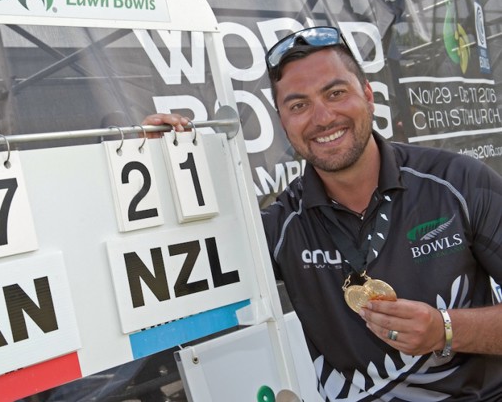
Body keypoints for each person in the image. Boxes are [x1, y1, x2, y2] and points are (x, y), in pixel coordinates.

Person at [143, 26, 502, 400]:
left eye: (335, 93)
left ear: (367, 95)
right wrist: (160, 170)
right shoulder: (281, 226)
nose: (322, 117)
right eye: (298, 105)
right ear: (282, 121)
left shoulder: (459, 182)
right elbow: (176, 280)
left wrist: (445, 329)